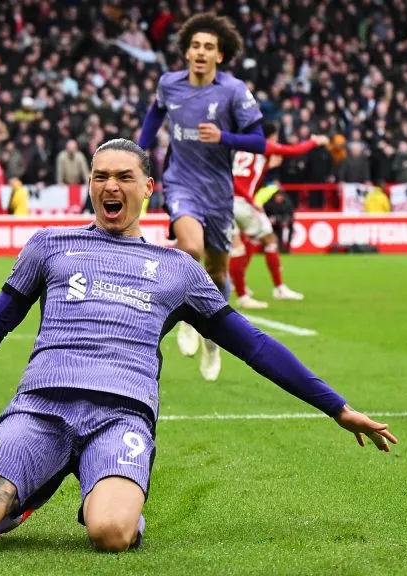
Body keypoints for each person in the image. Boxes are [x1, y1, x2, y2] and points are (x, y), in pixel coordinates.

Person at [0, 139, 398, 552]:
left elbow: (253, 345)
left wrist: (337, 408)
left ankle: (112, 495)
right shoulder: (51, 245)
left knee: (110, 536)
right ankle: (41, 484)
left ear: (148, 188)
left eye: (124, 177)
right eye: (101, 177)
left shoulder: (179, 270)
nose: (110, 186)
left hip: (121, 416)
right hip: (41, 406)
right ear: (90, 187)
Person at [137, 13, 266, 381]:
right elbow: (154, 117)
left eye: (208, 47)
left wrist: (225, 137)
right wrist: (137, 152)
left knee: (218, 271)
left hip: (218, 192)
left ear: (220, 56)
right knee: (189, 248)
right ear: (187, 51)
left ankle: (212, 341)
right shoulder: (169, 84)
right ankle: (185, 319)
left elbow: (258, 141)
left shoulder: (234, 91)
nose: (200, 52)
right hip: (180, 183)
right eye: (195, 45)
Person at [229, 125, 325, 308]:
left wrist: (267, 165)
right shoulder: (264, 145)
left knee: (238, 247)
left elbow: (241, 174)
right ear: (271, 136)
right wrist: (315, 141)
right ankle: (278, 288)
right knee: (270, 240)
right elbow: (295, 150)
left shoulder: (241, 148)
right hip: (242, 202)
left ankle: (239, 290)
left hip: (224, 201)